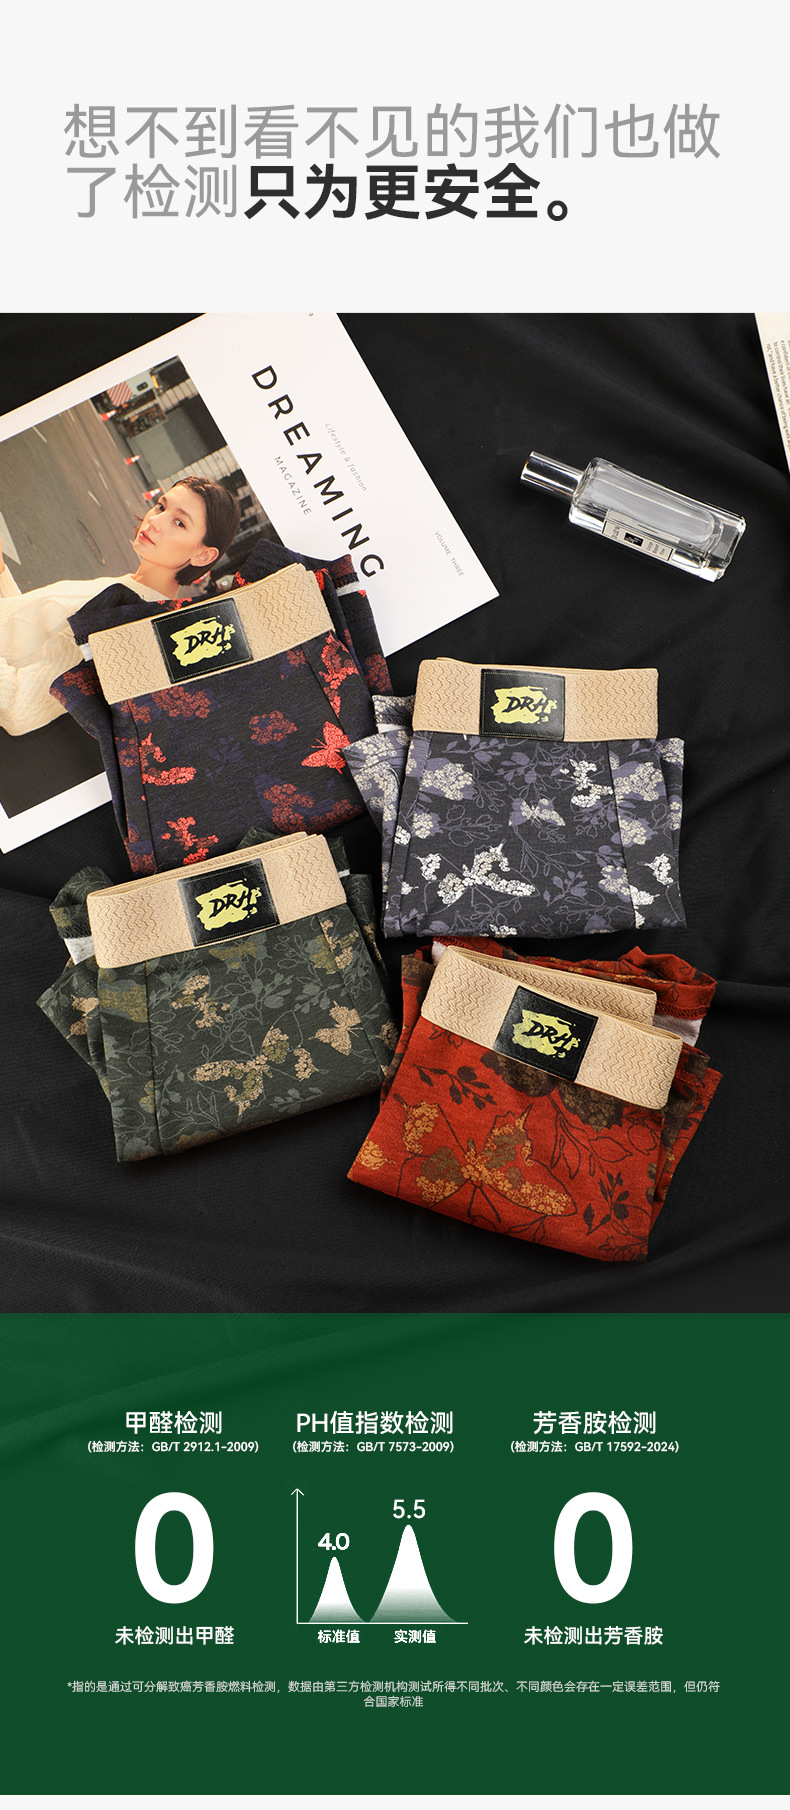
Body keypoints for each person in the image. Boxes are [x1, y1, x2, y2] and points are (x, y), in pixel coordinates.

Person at [0, 478, 241, 736]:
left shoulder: (123, 620)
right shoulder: (129, 588)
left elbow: (18, 710)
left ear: (203, 555)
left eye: (179, 523)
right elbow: (26, 638)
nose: (155, 521)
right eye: (161, 507)